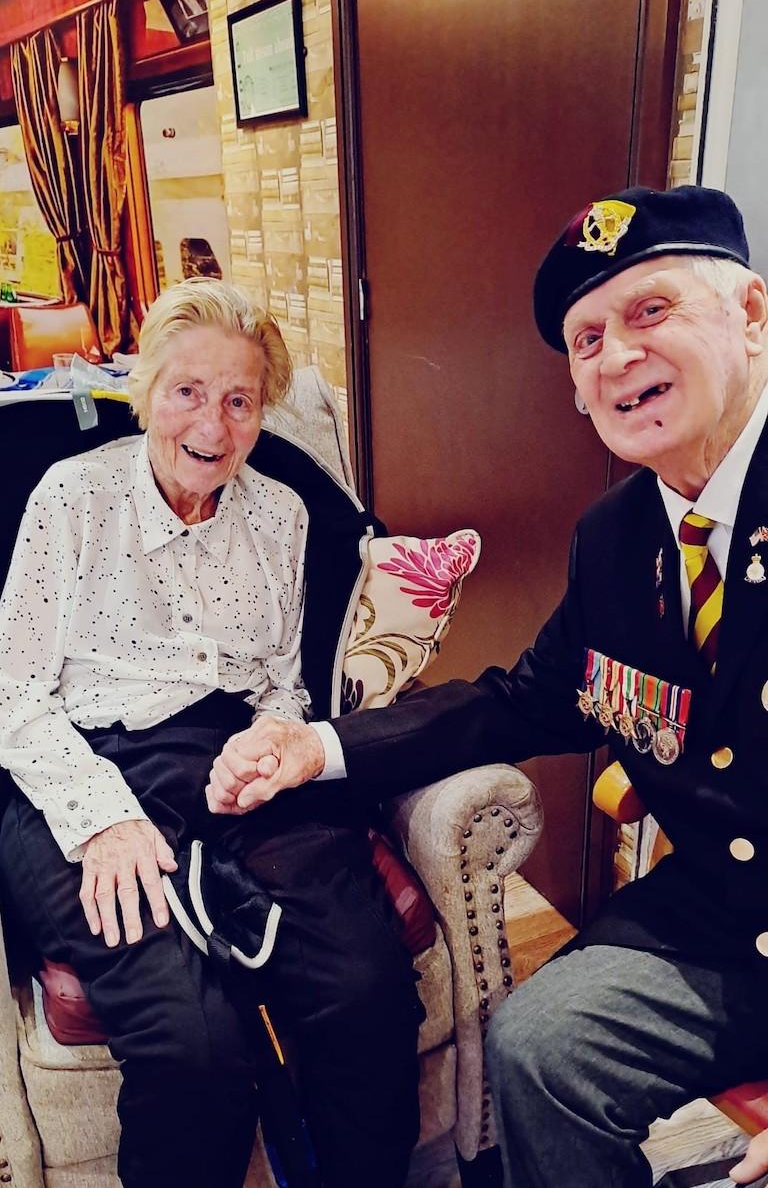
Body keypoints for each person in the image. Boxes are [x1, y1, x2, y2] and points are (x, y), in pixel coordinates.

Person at [209, 185, 768, 1186]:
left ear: (750, 314)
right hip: (720, 917)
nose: (617, 356)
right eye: (587, 339)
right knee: (538, 1048)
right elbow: (521, 700)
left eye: (650, 311)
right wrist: (317, 745)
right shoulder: (617, 538)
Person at [0, 278, 420, 1188]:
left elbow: (284, 682)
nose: (212, 424)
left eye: (239, 400)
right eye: (188, 391)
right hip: (85, 765)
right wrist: (103, 815)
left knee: (365, 987)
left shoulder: (281, 514)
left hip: (234, 760)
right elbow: (7, 694)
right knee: (196, 1042)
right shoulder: (74, 497)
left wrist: (273, 740)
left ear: (261, 414)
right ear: (147, 389)